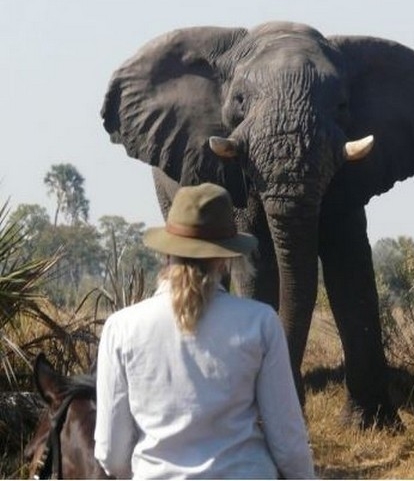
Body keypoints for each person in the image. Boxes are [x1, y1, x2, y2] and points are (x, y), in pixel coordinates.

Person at [94, 183, 316, 479]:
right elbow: (288, 445)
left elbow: (111, 455)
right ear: (225, 259)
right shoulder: (260, 322)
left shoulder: (121, 328)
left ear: (166, 254)